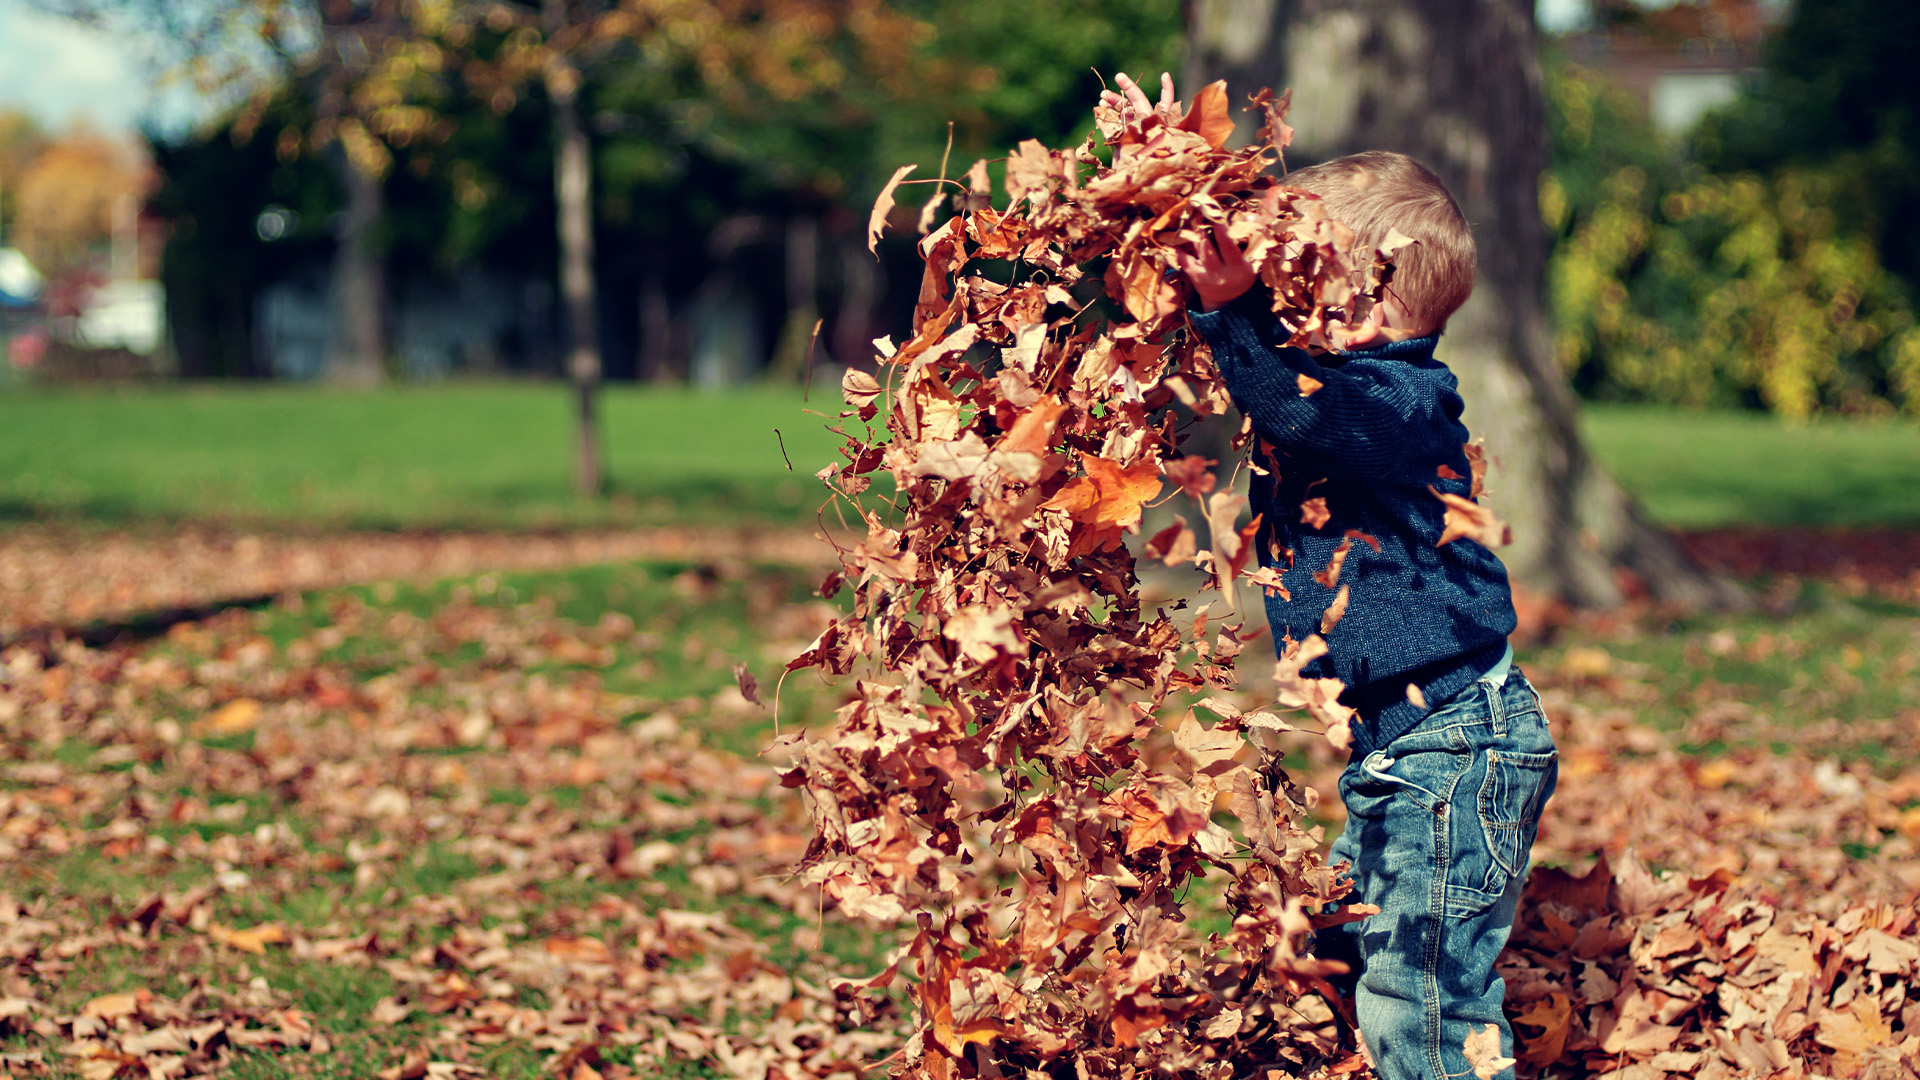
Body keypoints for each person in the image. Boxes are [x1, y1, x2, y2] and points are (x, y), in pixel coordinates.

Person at [1105, 73, 1559, 1080]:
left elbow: (1302, 409)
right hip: (1406, 752)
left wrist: (1234, 319)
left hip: (1454, 753)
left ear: (1354, 303)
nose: (1272, 303)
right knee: (1350, 944)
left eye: (1291, 284)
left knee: (1426, 999)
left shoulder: (1398, 402)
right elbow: (1278, 393)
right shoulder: (1352, 388)